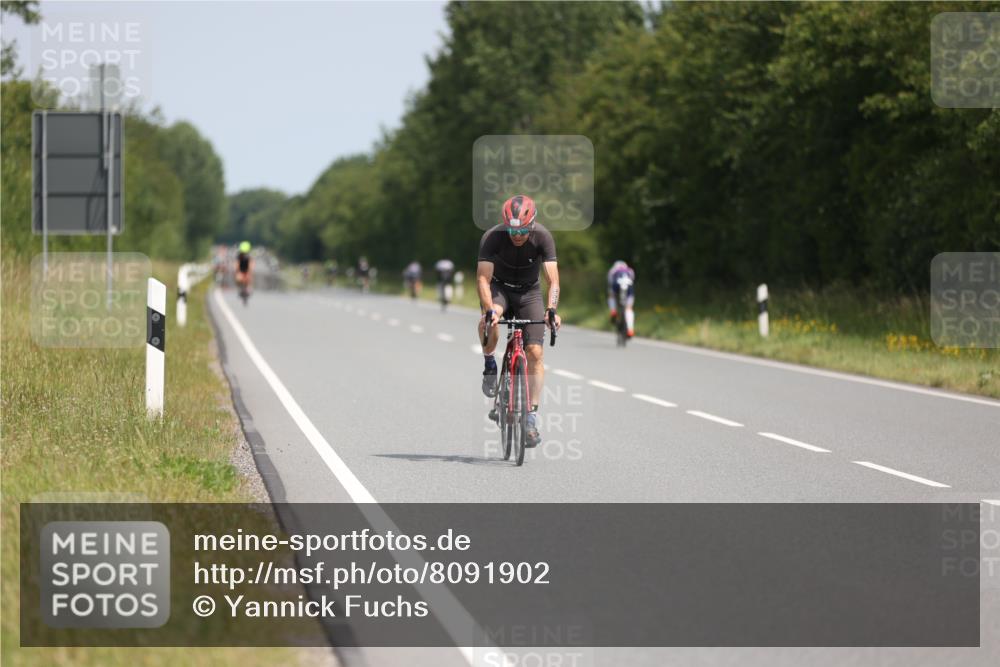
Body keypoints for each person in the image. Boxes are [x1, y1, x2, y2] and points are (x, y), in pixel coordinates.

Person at [477, 194, 561, 448]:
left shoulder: (543, 237)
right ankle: (490, 363)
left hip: (529, 292)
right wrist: (490, 309)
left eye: (523, 229)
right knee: (491, 321)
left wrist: (551, 309)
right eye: (513, 229)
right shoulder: (492, 237)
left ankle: (531, 418)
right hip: (500, 289)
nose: (517, 235)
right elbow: (483, 278)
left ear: (532, 223)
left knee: (535, 351)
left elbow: (553, 280)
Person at [607, 260, 636, 338]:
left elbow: (610, 282)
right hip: (628, 286)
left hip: (616, 284)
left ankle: (613, 310)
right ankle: (630, 330)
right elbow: (632, 279)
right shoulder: (630, 270)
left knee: (611, 296)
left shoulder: (613, 270)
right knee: (629, 308)